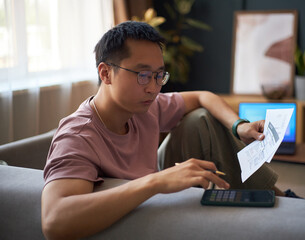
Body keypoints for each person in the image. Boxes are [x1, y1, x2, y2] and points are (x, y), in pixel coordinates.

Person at [41, 21, 285, 240]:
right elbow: (55, 222)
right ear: (106, 73)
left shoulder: (146, 108)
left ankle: (280, 199)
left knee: (200, 118)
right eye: (143, 75)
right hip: (142, 207)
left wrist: (239, 126)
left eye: (159, 76)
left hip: (153, 193)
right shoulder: (78, 135)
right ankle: (284, 202)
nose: (153, 88)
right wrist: (155, 182)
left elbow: (203, 96)